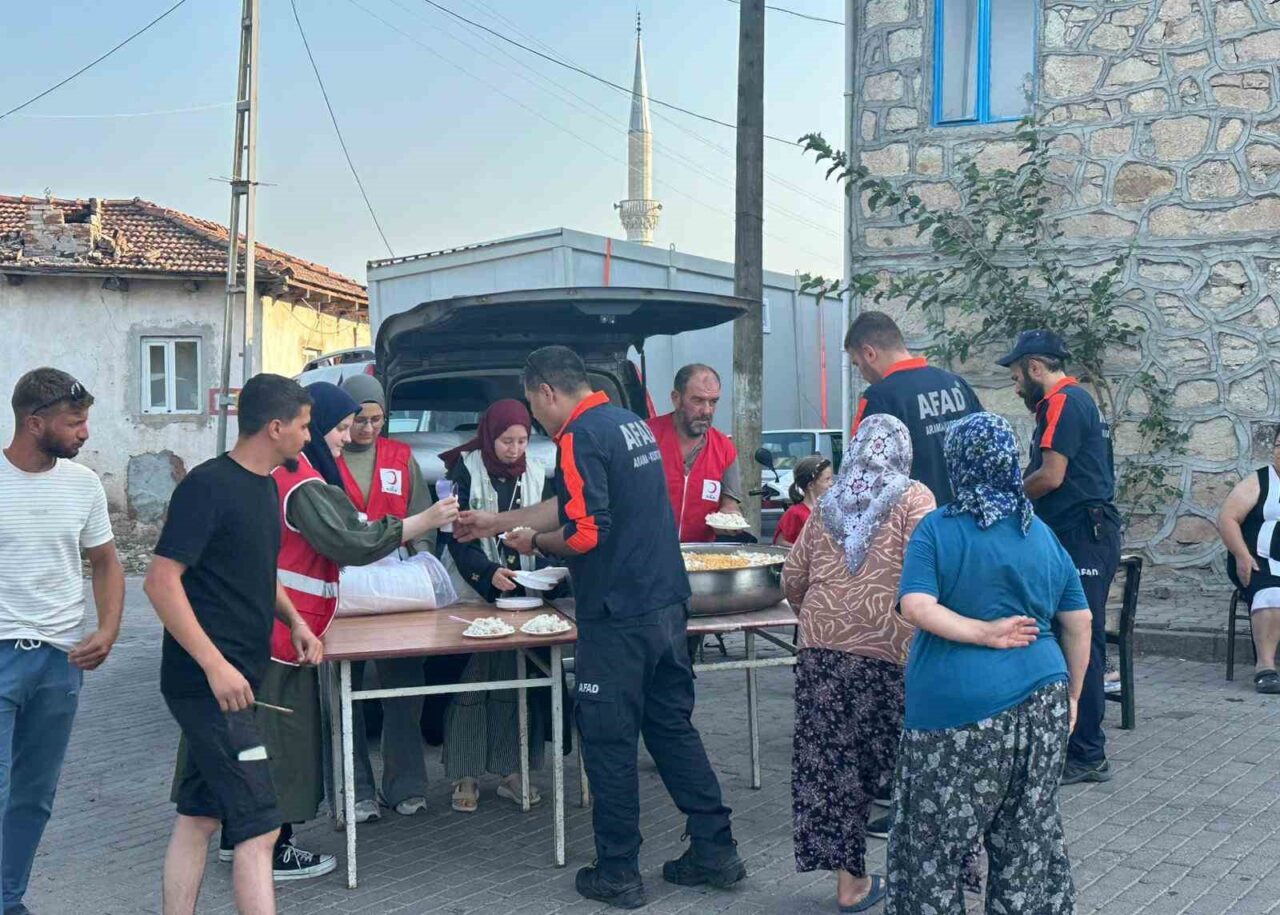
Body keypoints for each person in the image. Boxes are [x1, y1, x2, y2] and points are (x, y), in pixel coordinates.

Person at [456, 346, 745, 909]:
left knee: (609, 742)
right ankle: (716, 850)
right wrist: (499, 521)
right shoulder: (627, 424)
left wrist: (534, 545)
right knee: (671, 729)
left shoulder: (579, 436)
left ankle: (617, 871)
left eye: (535, 411)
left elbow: (585, 530)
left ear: (545, 391)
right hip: (665, 606)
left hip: (619, 617)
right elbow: (570, 502)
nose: (537, 423)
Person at [210, 381, 459, 877]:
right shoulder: (300, 480)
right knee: (279, 745)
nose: (345, 439)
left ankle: (240, 835)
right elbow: (350, 539)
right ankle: (272, 845)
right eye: (333, 428)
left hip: (274, 627)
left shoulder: (258, 473)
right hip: (282, 637)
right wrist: (420, 521)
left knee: (255, 738)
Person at [887, 412, 1091, 914]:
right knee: (1028, 844)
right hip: (1042, 700)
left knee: (932, 850)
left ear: (958, 464)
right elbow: (1080, 620)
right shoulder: (1042, 535)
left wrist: (983, 632)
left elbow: (915, 605)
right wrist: (1074, 698)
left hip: (955, 715)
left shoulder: (938, 529)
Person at [147, 373, 320, 915]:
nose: (308, 438)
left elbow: (257, 567)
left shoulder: (266, 484)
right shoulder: (207, 486)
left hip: (239, 679)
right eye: (304, 426)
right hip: (208, 686)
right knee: (261, 827)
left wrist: (294, 619)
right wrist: (215, 666)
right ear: (274, 427)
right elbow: (159, 580)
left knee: (200, 816)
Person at [783, 415, 933, 912]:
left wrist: (821, 616)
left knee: (834, 766)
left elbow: (793, 577)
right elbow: (931, 569)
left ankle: (850, 884)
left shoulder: (827, 501)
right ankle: (918, 879)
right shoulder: (915, 499)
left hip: (822, 648)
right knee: (895, 766)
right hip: (888, 647)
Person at [0, 369, 123, 915]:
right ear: (34, 422)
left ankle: (9, 899)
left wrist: (108, 629)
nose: (85, 433)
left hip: (59, 662)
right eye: (75, 422)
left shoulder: (83, 486)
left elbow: (106, 563)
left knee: (34, 797)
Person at [998, 329, 1121, 786]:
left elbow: (1050, 476)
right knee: (1075, 633)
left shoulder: (1062, 403)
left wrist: (1005, 498)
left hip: (1082, 534)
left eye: (1015, 376)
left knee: (1078, 636)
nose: (1015, 388)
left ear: (1035, 367)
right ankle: (1073, 741)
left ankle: (1087, 753)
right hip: (1084, 531)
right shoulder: (1077, 401)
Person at [439, 399, 563, 813]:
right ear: (490, 437)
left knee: (518, 680)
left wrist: (542, 570)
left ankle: (514, 772)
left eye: (522, 440)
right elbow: (455, 536)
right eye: (506, 440)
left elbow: (548, 525)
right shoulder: (465, 469)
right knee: (472, 682)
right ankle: (465, 774)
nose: (514, 449)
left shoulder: (536, 471)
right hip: (473, 593)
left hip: (524, 595)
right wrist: (488, 571)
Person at [338, 375, 434, 823]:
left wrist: (423, 563)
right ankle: (357, 791)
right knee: (344, 691)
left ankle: (406, 785)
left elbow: (421, 515)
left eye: (378, 419)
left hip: (395, 587)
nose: (369, 428)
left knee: (404, 688)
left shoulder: (400, 456)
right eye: (360, 419)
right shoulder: (324, 456)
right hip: (343, 585)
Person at [846, 311, 982, 503]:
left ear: (869, 353)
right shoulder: (957, 384)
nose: (861, 373)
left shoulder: (879, 398)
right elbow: (986, 449)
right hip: (969, 519)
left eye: (857, 364)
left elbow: (861, 476)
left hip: (917, 525)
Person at [647, 364, 744, 542]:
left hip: (700, 557)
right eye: (698, 400)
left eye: (713, 401)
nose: (707, 411)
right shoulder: (646, 437)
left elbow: (730, 504)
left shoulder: (724, 448)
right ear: (676, 398)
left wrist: (730, 516)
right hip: (648, 556)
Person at [1218, 424, 1280, 693]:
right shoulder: (1260, 481)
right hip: (1257, 560)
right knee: (1271, 593)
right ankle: (1265, 667)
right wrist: (1242, 556)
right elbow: (1227, 519)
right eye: (1279, 445)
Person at [773, 454, 834, 547]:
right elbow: (779, 543)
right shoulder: (795, 513)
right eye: (827, 479)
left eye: (831, 478)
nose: (831, 483)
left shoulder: (830, 509)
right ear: (811, 485)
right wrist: (805, 550)